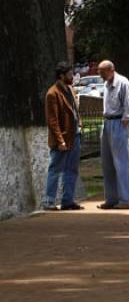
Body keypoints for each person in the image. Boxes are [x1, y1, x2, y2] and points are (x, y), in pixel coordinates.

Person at [42, 61, 84, 211]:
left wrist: (80, 124)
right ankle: (48, 201)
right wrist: (60, 140)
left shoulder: (70, 89)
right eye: (70, 74)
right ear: (61, 75)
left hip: (75, 136)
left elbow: (75, 111)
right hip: (63, 139)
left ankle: (68, 200)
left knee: (72, 169)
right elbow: (52, 121)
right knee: (55, 169)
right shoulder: (52, 93)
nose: (72, 76)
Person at [97, 60, 129, 210]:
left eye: (102, 72)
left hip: (118, 122)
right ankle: (111, 198)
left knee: (120, 162)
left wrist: (124, 123)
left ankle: (125, 199)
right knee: (107, 163)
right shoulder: (106, 84)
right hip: (107, 122)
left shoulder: (123, 83)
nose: (100, 74)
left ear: (111, 70)